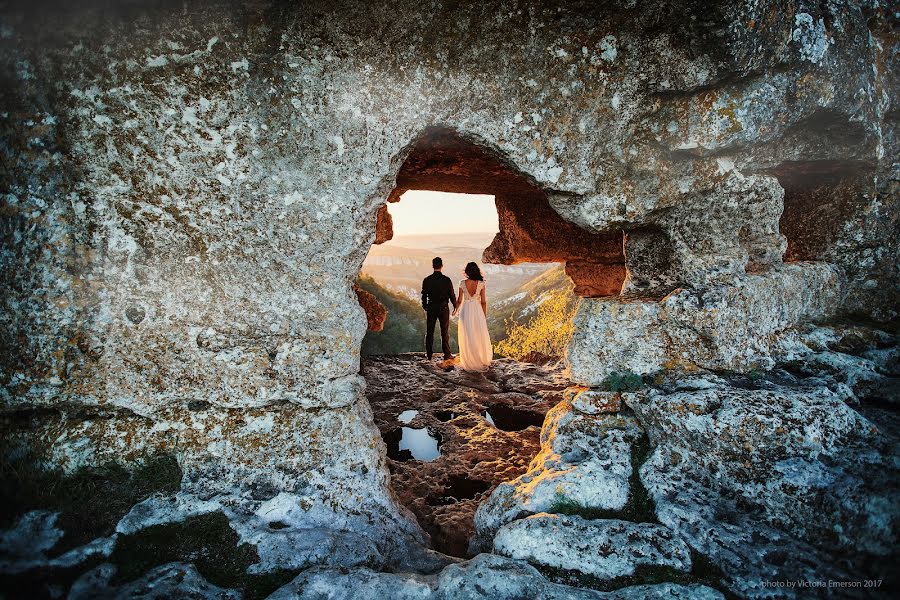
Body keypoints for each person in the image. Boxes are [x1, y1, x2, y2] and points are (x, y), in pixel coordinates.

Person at [452, 262, 492, 371]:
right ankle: (480, 359)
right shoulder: (481, 284)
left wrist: (455, 311)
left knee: (467, 334)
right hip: (477, 311)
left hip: (465, 310)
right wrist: (483, 317)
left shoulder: (462, 283)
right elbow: (483, 302)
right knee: (478, 334)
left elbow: (459, 300)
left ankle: (469, 360)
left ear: (467, 272)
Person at [421, 257, 457, 361]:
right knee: (444, 332)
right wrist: (455, 306)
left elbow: (424, 295)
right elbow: (452, 295)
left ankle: (429, 355)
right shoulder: (447, 280)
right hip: (443, 307)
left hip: (431, 307)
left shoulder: (427, 280)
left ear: (433, 266)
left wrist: (425, 307)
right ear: (442, 266)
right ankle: (447, 354)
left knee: (430, 331)